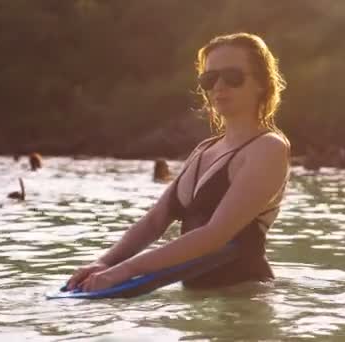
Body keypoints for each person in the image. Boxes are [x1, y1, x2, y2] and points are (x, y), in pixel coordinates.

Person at [67, 32, 290, 292]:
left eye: (232, 77)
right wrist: (104, 263)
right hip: (196, 304)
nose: (219, 86)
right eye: (210, 78)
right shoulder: (203, 150)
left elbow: (214, 235)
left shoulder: (268, 149)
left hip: (244, 300)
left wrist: (124, 271)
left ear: (262, 83)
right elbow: (154, 221)